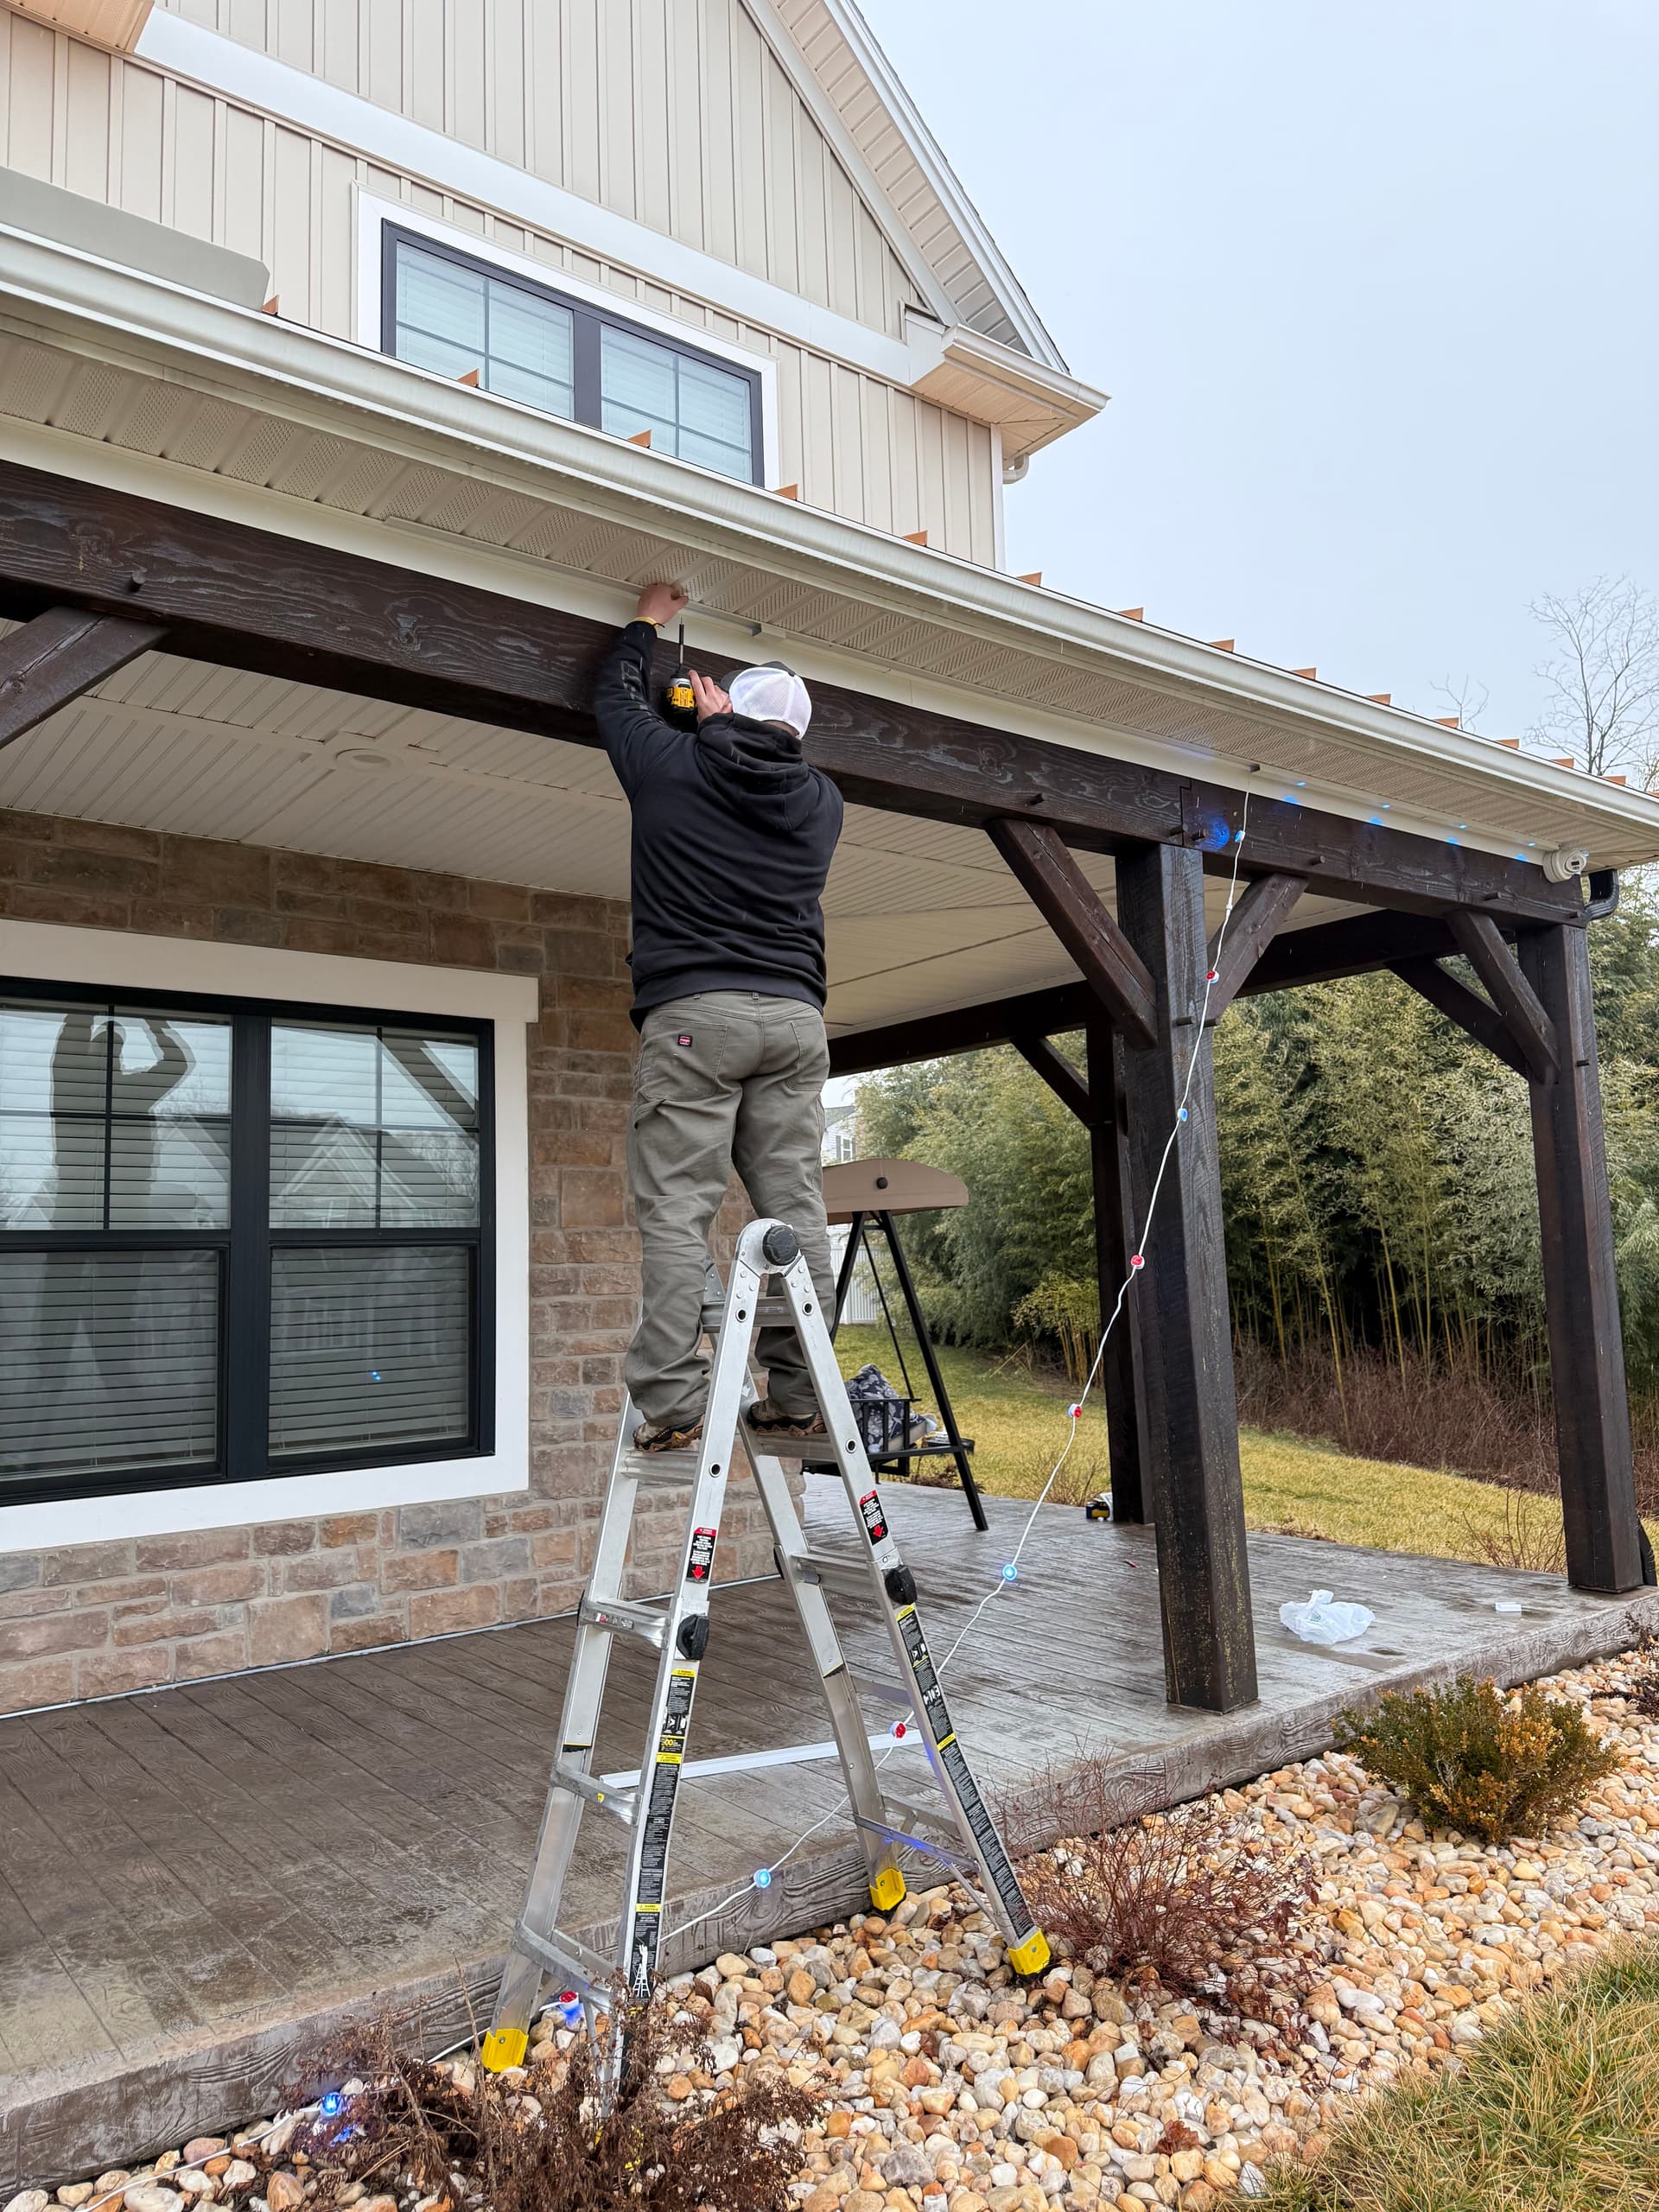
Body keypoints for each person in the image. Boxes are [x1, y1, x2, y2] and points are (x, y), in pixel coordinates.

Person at [594, 581, 846, 1452]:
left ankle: (671, 1400)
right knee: (794, 1204)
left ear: (729, 706)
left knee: (675, 1207)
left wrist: (646, 626)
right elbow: (754, 773)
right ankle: (800, 1390)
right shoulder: (822, 804)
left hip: (696, 1013)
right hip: (793, 1020)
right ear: (800, 735)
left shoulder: (671, 765)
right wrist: (719, 726)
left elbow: (611, 699)